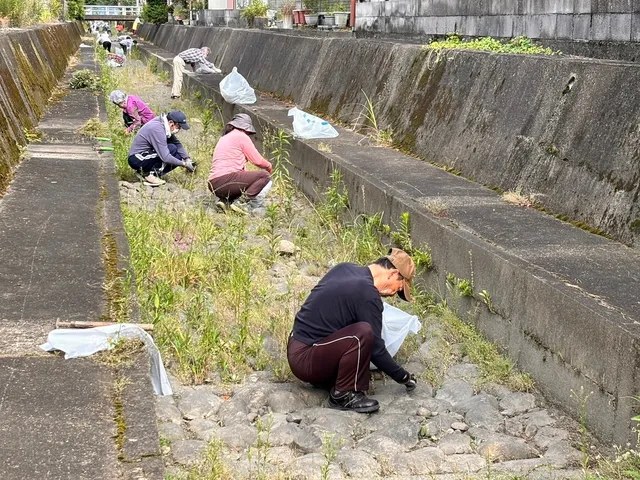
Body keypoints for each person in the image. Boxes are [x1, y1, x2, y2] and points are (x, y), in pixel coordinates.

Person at [287, 248, 418, 413]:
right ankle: (343, 394)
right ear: (393, 273)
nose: (393, 294)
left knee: (361, 331)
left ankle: (331, 380)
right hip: (306, 359)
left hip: (298, 347)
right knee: (363, 333)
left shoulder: (345, 269)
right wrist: (403, 377)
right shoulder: (367, 292)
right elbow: (376, 348)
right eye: (398, 288)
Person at [208, 114, 272, 214]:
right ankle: (241, 203)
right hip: (226, 181)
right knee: (264, 176)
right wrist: (269, 166)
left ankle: (226, 202)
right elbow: (258, 161)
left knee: (245, 181)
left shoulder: (224, 138)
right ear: (246, 129)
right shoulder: (241, 136)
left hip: (213, 184)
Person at [127, 110, 196, 186]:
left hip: (147, 155)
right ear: (171, 123)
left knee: (178, 156)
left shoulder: (164, 125)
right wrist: (184, 164)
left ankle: (151, 173)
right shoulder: (158, 129)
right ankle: (146, 174)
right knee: (172, 149)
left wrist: (187, 159)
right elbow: (165, 157)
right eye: (178, 127)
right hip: (137, 158)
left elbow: (177, 144)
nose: (179, 130)